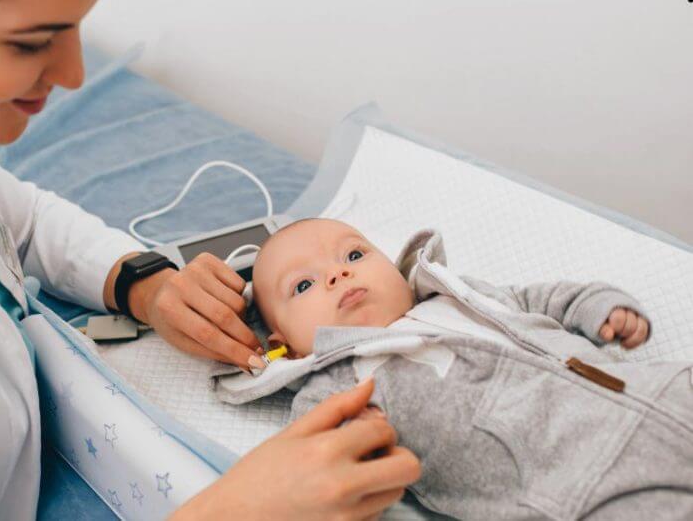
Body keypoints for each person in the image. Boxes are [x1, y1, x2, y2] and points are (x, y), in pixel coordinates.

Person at [0, 0, 420, 519]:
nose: (75, 74)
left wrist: (145, 284)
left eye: (80, 26)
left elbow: (21, 217)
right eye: (30, 42)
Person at [217, 218, 693, 519]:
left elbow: (538, 299)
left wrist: (600, 306)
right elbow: (325, 468)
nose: (339, 274)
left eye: (354, 255)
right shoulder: (337, 387)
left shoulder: (460, 295)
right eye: (303, 286)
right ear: (289, 348)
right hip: (579, 483)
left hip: (661, 389)